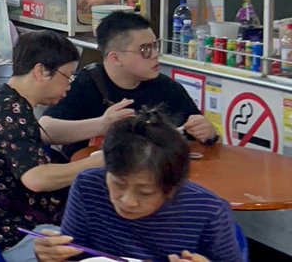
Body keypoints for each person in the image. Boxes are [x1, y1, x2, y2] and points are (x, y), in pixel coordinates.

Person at [33, 112, 245, 262]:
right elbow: (73, 253)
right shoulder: (88, 186)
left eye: (145, 192)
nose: (127, 201)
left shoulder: (207, 210)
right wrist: (50, 257)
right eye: (117, 184)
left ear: (172, 188)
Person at [0, 30, 103, 260]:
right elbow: (37, 179)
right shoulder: (11, 111)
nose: (69, 85)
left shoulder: (1, 100)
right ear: (40, 71)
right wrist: (93, 163)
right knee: (101, 243)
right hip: (11, 235)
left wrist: (102, 124)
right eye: (67, 76)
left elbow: (42, 133)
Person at [40, 11, 215, 156]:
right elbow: (44, 129)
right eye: (145, 49)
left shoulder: (166, 87)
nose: (155, 54)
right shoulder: (85, 84)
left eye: (155, 46)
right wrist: (102, 124)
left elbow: (199, 135)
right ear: (115, 58)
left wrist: (208, 132)